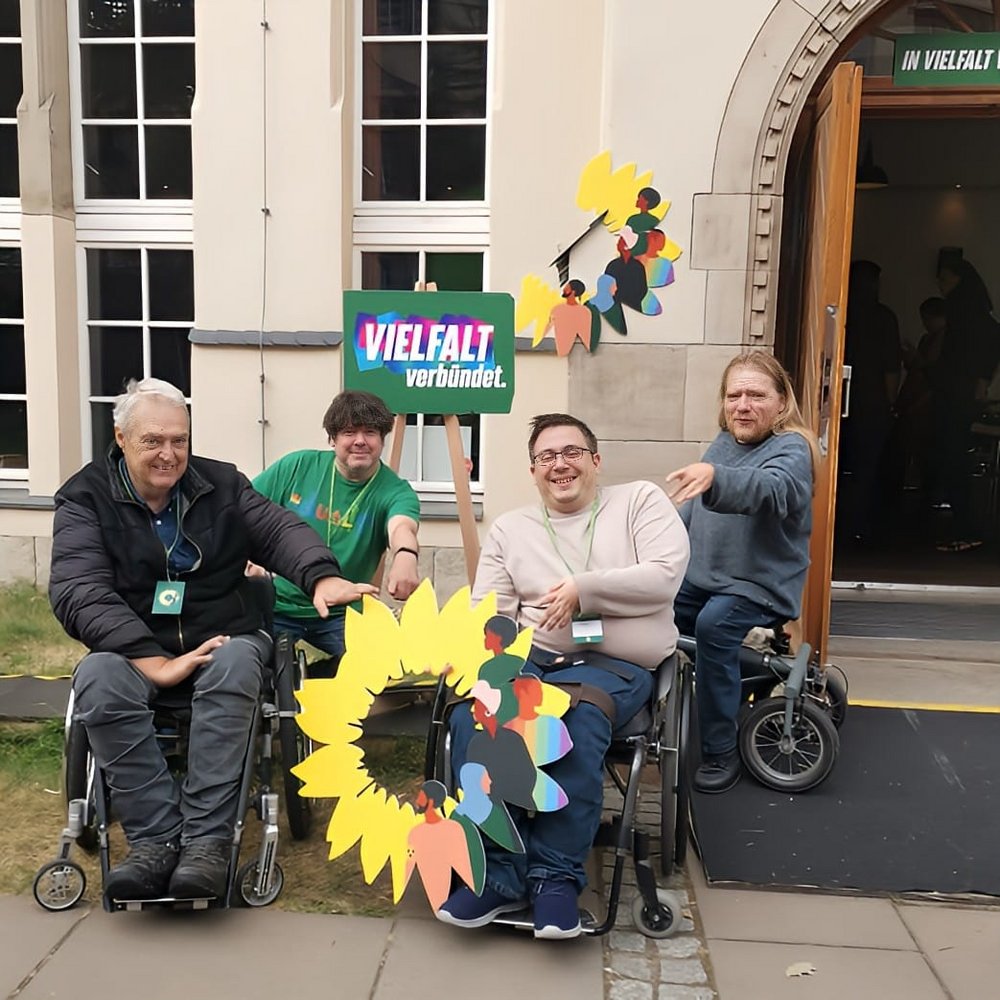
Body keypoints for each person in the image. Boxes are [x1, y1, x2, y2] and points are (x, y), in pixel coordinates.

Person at [49, 378, 377, 903]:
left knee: (238, 664)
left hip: (222, 633)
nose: (169, 453)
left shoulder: (221, 485)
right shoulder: (85, 498)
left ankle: (205, 843)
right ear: (120, 437)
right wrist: (152, 658)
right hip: (132, 645)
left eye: (179, 440)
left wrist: (320, 575)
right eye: (153, 440)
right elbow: (77, 589)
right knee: (96, 678)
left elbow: (277, 530)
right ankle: (155, 840)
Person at [436, 413, 689, 939]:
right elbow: (494, 611)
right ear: (533, 471)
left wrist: (584, 590)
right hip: (536, 658)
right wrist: (466, 651)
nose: (560, 464)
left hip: (615, 666)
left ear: (595, 461)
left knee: (573, 722)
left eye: (572, 452)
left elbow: (664, 576)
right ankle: (496, 874)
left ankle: (554, 879)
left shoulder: (639, 502)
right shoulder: (511, 528)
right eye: (548, 457)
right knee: (474, 719)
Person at [666, 351, 816, 794]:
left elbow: (772, 490)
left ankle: (720, 751)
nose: (743, 405)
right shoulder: (724, 441)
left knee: (713, 629)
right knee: (649, 610)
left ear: (781, 401)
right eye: (735, 395)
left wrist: (716, 475)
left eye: (756, 395)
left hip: (760, 583)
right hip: (706, 576)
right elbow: (691, 509)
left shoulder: (791, 448)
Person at [251, 390, 421, 669]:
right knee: (248, 666)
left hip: (343, 614)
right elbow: (244, 510)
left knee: (384, 669)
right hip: (276, 606)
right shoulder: (296, 467)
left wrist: (405, 556)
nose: (360, 441)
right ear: (332, 438)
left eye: (370, 432)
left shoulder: (395, 490)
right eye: (349, 432)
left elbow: (402, 525)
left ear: (382, 439)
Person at [931, 255, 1000, 551]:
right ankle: (964, 528)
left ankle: (965, 529)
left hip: (957, 398)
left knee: (953, 460)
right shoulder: (978, 315)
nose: (941, 285)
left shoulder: (966, 316)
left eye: (945, 279)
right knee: (954, 459)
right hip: (960, 396)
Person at [840, 260, 901, 541]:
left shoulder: (840, 311)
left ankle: (833, 528)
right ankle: (859, 528)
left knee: (836, 467)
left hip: (836, 402)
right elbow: (891, 366)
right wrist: (891, 402)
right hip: (873, 403)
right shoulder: (883, 317)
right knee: (867, 468)